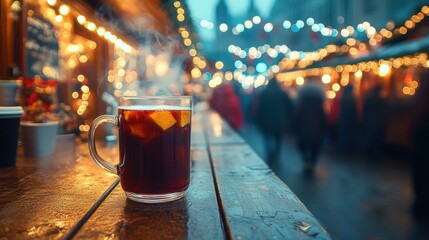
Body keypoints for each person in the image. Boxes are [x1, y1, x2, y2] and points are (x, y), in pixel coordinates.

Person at [254, 78, 293, 161]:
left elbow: (260, 108)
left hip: (266, 120)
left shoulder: (264, 93)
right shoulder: (283, 93)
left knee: (267, 138)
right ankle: (276, 153)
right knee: (278, 138)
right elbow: (289, 107)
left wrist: (258, 119)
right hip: (280, 120)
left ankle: (269, 152)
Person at [294, 81, 327, 172]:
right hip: (317, 131)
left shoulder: (302, 104)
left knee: (303, 146)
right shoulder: (319, 106)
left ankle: (306, 161)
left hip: (303, 130)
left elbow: (297, 118)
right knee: (315, 148)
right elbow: (323, 119)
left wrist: (296, 129)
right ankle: (312, 162)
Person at [411, 71, 429, 220]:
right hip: (422, 137)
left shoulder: (420, 104)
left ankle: (420, 205)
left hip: (421, 138)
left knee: (421, 173)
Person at [362, 84, 387, 161]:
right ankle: (375, 155)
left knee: (370, 138)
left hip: (371, 121)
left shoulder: (370, 98)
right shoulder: (381, 100)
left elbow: (365, 109)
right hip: (378, 122)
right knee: (376, 140)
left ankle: (369, 154)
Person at [338, 84, 359, 154]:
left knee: (344, 134)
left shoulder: (343, 97)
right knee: (349, 134)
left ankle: (343, 148)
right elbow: (354, 110)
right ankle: (346, 149)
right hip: (350, 119)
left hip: (343, 119)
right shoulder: (352, 98)